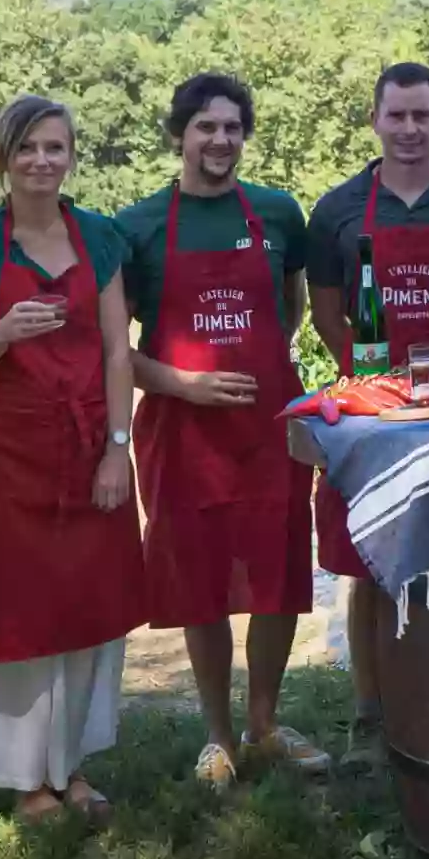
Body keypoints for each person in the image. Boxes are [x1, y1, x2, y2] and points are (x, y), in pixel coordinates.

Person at [0, 95, 144, 825]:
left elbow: (120, 349)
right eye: (27, 147)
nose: (41, 161)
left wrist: (119, 448)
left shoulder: (102, 237)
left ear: (71, 155)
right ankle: (27, 779)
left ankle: (74, 765)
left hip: (91, 446)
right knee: (16, 610)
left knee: (86, 607)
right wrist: (1, 333)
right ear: (4, 156)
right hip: (8, 455)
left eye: (54, 147)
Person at [119, 73, 328, 790]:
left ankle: (264, 724)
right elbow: (114, 348)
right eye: (206, 127)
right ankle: (217, 735)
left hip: (268, 424)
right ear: (179, 135)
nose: (221, 139)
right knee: (198, 576)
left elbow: (290, 307)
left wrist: (252, 362)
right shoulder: (139, 223)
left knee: (277, 572)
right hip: (183, 429)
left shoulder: (276, 212)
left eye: (233, 127)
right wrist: (187, 382)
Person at [306, 63, 429, 765]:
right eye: (396, 116)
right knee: (364, 563)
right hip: (373, 416)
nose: (409, 129)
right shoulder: (336, 209)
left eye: (422, 115)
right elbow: (325, 312)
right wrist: (375, 381)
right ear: (374, 120)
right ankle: (371, 711)